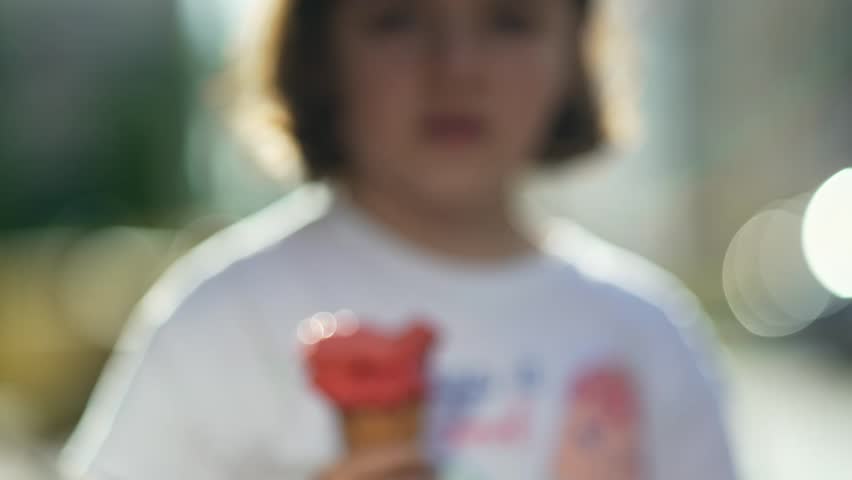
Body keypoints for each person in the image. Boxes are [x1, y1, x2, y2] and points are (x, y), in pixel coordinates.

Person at [61, 0, 737, 479]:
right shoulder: (223, 319)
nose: (456, 67)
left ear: (575, 52)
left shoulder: (646, 331)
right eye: (397, 19)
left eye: (510, 19)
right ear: (320, 52)